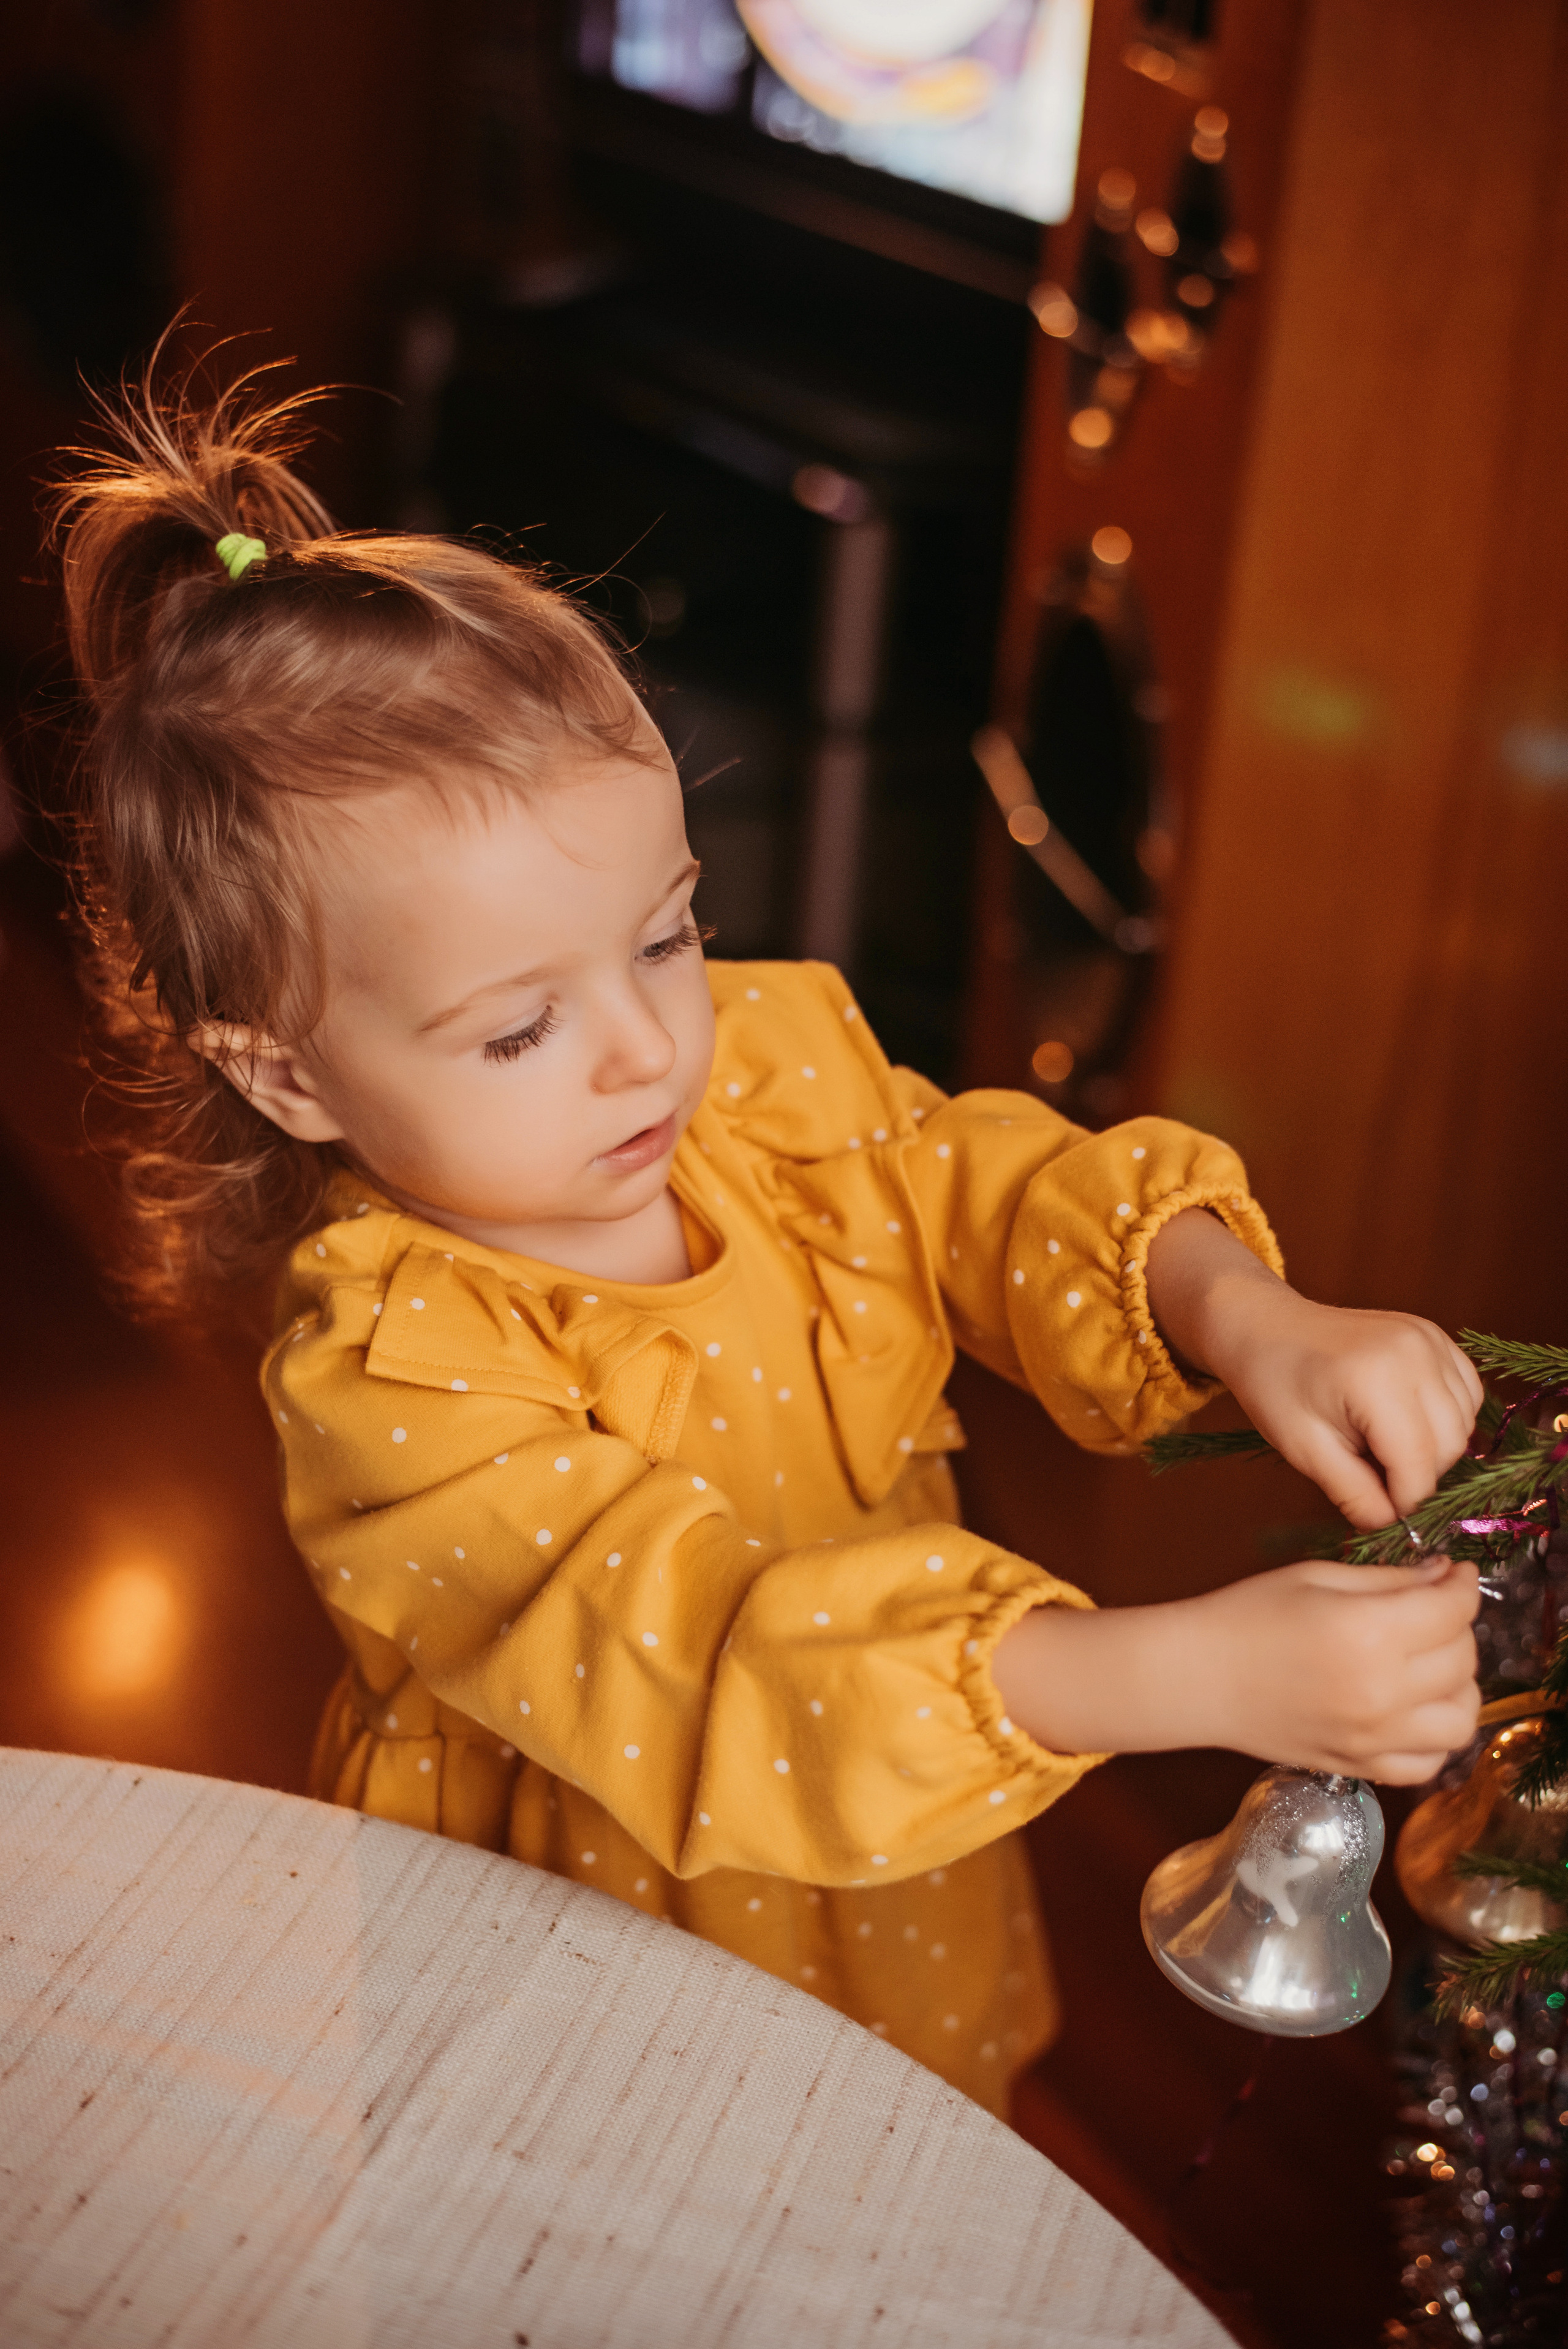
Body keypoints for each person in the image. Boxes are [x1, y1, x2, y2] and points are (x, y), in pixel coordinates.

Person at [53, 357, 1483, 2116]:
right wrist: (1182, 1669)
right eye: (520, 1027)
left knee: (902, 2169)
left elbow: (987, 1189)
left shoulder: (770, 1080)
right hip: (587, 1959)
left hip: (902, 1860)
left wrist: (1245, 1305)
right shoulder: (391, 1373)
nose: (653, 1042)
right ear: (286, 1075)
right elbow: (715, 1655)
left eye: (665, 935)